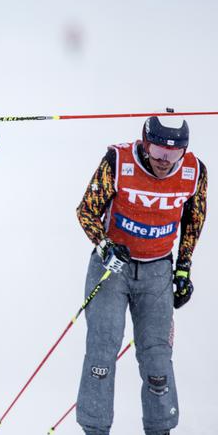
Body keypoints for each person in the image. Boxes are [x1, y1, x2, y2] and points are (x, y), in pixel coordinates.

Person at [74, 116, 207, 435]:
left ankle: (160, 428)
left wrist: (184, 268)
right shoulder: (118, 161)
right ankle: (95, 429)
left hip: (157, 270)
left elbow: (194, 219)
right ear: (145, 144)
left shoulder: (194, 171)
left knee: (157, 359)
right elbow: (86, 211)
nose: (164, 161)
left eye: (173, 155)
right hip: (112, 269)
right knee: (101, 354)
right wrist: (106, 245)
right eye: (158, 151)